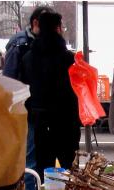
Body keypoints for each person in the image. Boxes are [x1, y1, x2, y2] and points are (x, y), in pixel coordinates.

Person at [19, 11, 80, 181]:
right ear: (58, 29)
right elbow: (76, 93)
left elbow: (24, 92)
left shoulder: (28, 58)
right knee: (70, 171)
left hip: (40, 123)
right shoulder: (69, 59)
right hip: (66, 123)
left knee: (43, 172)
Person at [3, 6, 53, 189]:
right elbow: (9, 82)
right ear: (35, 23)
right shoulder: (19, 44)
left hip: (43, 114)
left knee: (44, 160)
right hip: (27, 113)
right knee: (30, 161)